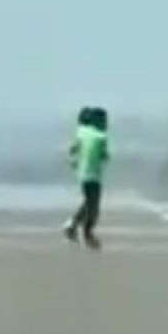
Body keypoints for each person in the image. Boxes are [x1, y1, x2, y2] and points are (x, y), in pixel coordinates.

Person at [64, 106, 110, 249]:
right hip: (94, 176)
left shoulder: (82, 133)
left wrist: (74, 161)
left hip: (83, 174)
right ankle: (85, 232)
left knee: (88, 203)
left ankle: (74, 226)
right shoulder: (101, 137)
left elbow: (72, 148)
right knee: (93, 206)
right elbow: (104, 156)